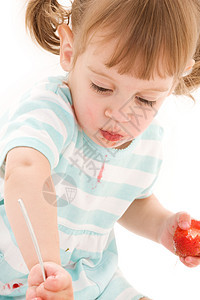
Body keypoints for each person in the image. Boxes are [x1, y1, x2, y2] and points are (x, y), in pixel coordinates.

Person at [0, 0, 200, 299]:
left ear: (177, 79)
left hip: (92, 278)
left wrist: (161, 227)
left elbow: (127, 200)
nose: (120, 114)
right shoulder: (50, 111)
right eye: (102, 88)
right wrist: (48, 270)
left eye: (146, 100)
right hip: (18, 277)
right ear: (69, 52)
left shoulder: (148, 140)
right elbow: (24, 171)